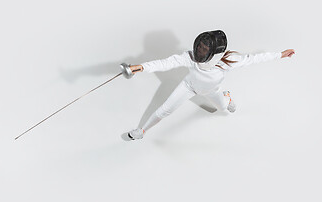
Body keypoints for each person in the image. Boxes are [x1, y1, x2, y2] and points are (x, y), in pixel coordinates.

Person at [125, 30, 295, 140]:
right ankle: (142, 131)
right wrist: (140, 67)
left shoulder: (228, 61)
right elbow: (165, 63)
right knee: (164, 110)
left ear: (215, 52)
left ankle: (227, 97)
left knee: (224, 109)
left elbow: (254, 59)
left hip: (212, 91)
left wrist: (280, 55)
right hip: (188, 87)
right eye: (200, 46)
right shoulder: (190, 57)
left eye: (205, 49)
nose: (200, 50)